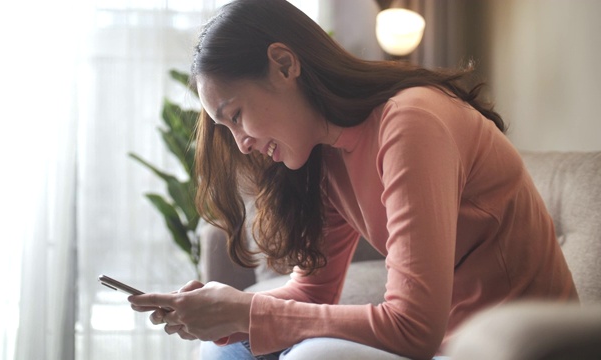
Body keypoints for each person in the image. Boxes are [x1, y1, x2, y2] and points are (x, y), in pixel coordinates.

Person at [128, 0, 578, 359]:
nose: (241, 143)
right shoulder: (323, 158)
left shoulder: (411, 122)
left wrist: (247, 309)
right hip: (445, 345)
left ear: (284, 64)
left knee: (313, 356)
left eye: (237, 116)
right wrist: (222, 314)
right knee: (223, 350)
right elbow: (312, 290)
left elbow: (414, 327)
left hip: (515, 345)